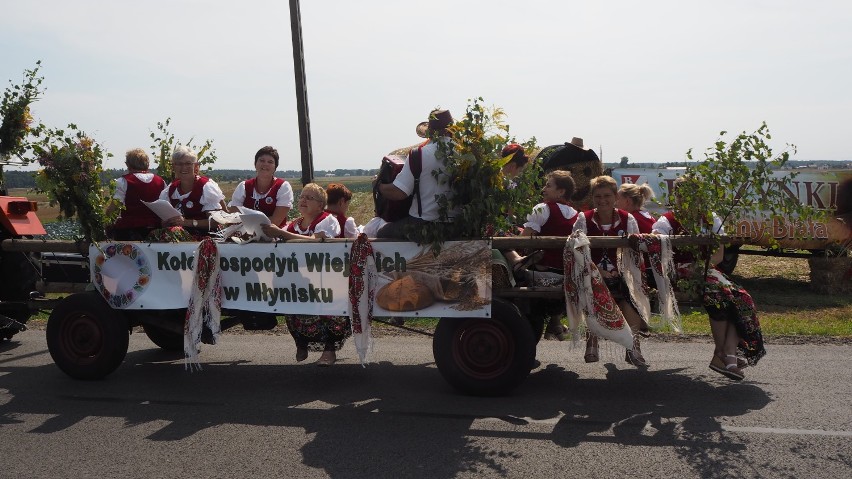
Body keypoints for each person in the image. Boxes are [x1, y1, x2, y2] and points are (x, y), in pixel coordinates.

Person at [652, 176, 765, 380]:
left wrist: (702, 268)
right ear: (675, 197)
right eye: (682, 195)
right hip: (678, 273)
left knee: (742, 299)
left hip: (707, 271)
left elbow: (719, 254)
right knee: (720, 296)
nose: (687, 200)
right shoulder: (667, 221)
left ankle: (726, 353)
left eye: (692, 195)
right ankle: (723, 356)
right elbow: (659, 256)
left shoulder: (711, 218)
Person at [262, 183, 347, 365]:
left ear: (320, 205)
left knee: (329, 313)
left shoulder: (327, 220)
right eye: (302, 196)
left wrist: (282, 234)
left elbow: (317, 242)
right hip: (301, 280)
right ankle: (301, 342)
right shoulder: (294, 224)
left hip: (327, 278)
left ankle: (329, 352)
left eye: (310, 198)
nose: (303, 200)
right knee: (291, 302)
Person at [573, 175, 650, 367]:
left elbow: (634, 251)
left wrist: (621, 270)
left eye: (607, 195)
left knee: (630, 291)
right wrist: (598, 270)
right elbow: (577, 250)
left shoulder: (628, 218)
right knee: (590, 285)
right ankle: (592, 340)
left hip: (621, 271)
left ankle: (633, 346)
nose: (602, 200)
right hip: (591, 269)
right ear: (593, 198)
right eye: (598, 196)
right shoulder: (584, 219)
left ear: (615, 197)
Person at [505, 170, 578, 340]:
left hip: (540, 267)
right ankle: (555, 322)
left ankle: (516, 262)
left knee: (500, 236)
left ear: (561, 191)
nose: (543, 189)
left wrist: (512, 236)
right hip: (564, 270)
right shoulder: (577, 215)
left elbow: (524, 240)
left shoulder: (542, 209)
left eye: (548, 185)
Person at [375, 109, 455, 239]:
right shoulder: (467, 154)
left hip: (422, 224)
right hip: (457, 226)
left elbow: (399, 193)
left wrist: (378, 186)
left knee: (382, 233)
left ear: (430, 132)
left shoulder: (418, 154)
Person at [159, 145, 226, 237]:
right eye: (179, 164)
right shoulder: (170, 190)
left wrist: (187, 222)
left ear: (196, 166)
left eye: (188, 163)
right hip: (178, 239)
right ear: (173, 167)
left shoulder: (206, 187)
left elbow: (216, 223)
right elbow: (163, 223)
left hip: (206, 240)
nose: (183, 168)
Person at [106, 148, 166, 240]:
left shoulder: (123, 181)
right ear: (148, 164)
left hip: (129, 231)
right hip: (155, 231)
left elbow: (114, 208)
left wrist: (106, 223)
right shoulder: (160, 181)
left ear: (128, 165)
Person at [227, 145, 293, 227]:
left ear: (275, 167)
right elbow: (234, 215)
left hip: (274, 236)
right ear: (255, 164)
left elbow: (276, 221)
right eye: (262, 160)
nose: (265, 164)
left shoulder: (283, 187)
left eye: (270, 162)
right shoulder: (243, 186)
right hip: (244, 234)